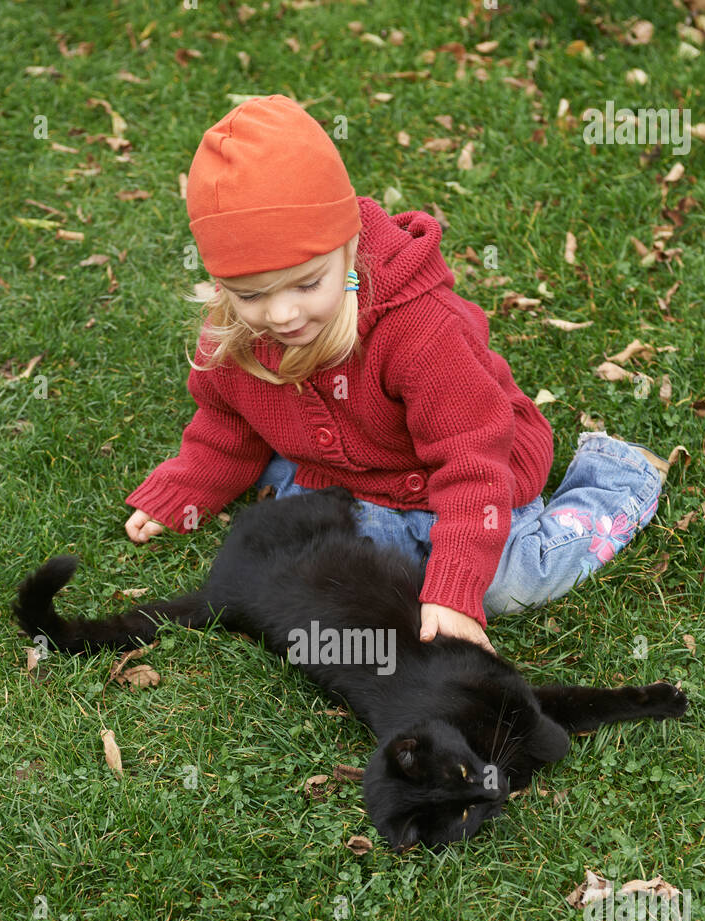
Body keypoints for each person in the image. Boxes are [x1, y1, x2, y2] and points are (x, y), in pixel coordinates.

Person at [125, 95, 670, 656]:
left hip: (462, 485)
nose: (282, 315)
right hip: (348, 483)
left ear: (348, 246)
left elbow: (470, 461)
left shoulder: (420, 333)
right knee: (304, 560)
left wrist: (456, 590)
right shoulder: (238, 331)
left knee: (508, 585)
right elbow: (227, 421)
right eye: (251, 293)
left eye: (307, 284)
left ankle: (617, 480)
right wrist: (188, 489)